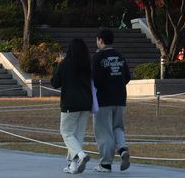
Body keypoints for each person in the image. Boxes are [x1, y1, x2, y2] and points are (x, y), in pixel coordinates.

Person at [92, 29, 132, 172]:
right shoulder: (119, 56)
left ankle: (105, 164)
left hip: (103, 99)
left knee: (104, 131)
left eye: (97, 40)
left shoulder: (98, 57)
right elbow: (127, 76)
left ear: (100, 40)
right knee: (118, 128)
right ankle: (122, 149)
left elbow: (94, 79)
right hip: (120, 98)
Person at [50, 38, 92, 174]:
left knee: (66, 133)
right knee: (77, 135)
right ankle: (73, 166)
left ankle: (81, 155)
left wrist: (56, 65)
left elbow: (55, 83)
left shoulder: (65, 64)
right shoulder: (87, 64)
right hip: (86, 103)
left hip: (70, 103)